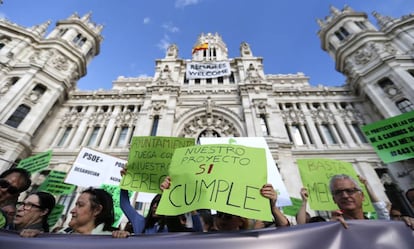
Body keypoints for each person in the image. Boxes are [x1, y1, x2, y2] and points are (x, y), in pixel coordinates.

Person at [329, 174, 413, 229]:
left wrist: (405, 224)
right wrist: (329, 229)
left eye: (350, 191)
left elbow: (380, 209)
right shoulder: (331, 229)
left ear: (362, 196)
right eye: (338, 192)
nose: (345, 196)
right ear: (334, 199)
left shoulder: (380, 225)